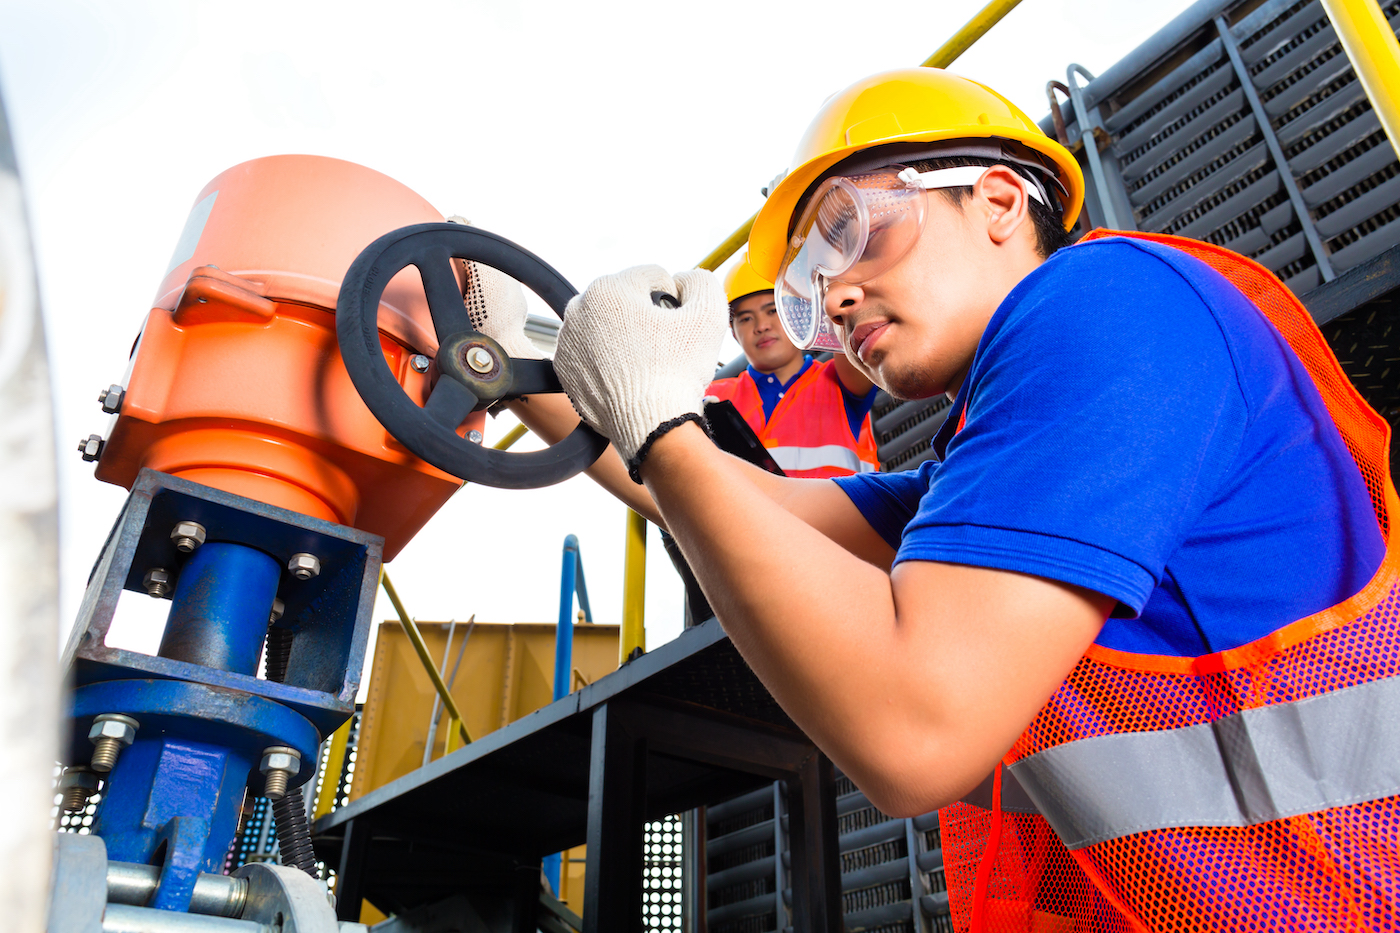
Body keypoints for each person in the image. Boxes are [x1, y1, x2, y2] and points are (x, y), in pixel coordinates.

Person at [546, 67, 1397, 931]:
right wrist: (532, 376)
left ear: (996, 202)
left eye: (855, 232)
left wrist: (661, 427)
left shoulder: (1108, 304)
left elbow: (915, 730)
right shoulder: (984, 462)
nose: (836, 297)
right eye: (814, 279)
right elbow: (755, 505)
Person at [709, 251, 879, 478]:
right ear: (733, 334)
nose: (761, 326)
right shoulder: (711, 397)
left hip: (837, 514)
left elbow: (850, 315)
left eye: (773, 310)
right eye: (746, 318)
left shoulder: (840, 382)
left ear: (798, 313)